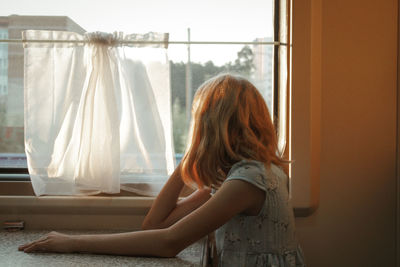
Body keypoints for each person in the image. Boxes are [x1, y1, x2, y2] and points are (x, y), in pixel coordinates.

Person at [19, 74, 305, 266]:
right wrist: (189, 160)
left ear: (210, 129)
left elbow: (169, 242)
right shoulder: (234, 177)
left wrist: (72, 243)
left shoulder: (248, 181)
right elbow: (155, 225)